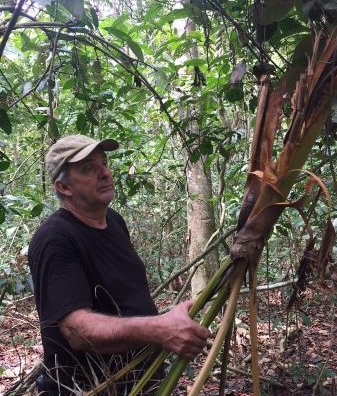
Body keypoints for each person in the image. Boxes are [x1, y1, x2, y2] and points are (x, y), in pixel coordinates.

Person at [28, 134, 209, 395]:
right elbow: (77, 330)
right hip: (94, 387)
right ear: (64, 187)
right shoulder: (55, 239)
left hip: (142, 380)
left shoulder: (113, 220)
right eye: (88, 168)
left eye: (104, 163)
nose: (104, 173)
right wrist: (160, 329)